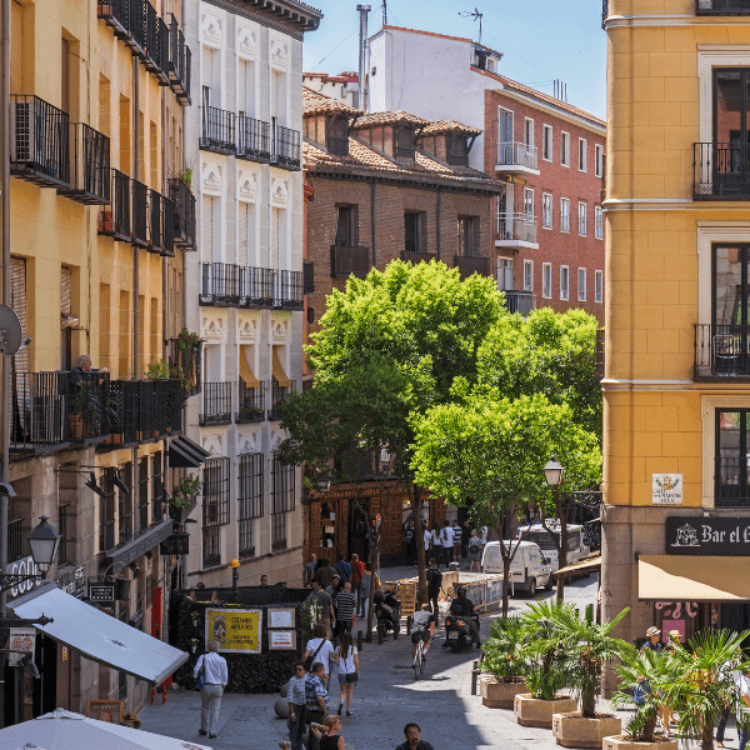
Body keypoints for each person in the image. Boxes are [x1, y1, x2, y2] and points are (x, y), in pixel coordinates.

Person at [193, 640, 228, 739]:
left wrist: (195, 677)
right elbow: (225, 675)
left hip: (206, 686)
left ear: (209, 648)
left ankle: (203, 729)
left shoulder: (203, 657)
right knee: (215, 709)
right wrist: (223, 685)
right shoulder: (222, 660)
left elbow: (196, 669)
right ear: (218, 649)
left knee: (205, 707)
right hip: (218, 687)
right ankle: (212, 732)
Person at [332, 633, 359, 716]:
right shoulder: (353, 648)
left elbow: (336, 661)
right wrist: (357, 672)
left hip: (342, 673)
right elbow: (356, 662)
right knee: (350, 691)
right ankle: (348, 710)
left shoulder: (338, 648)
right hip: (351, 673)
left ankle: (341, 703)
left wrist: (331, 658)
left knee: (343, 691)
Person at [304, 662, 329, 750]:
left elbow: (323, 692)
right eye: (323, 671)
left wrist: (324, 682)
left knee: (312, 733)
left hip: (309, 711)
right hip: (317, 712)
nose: (324, 673)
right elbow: (319, 697)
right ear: (319, 671)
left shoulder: (308, 678)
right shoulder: (316, 682)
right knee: (317, 737)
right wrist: (324, 708)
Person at [287, 662, 308, 750]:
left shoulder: (308, 678)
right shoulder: (293, 680)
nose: (297, 671)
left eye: (300, 669)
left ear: (305, 671)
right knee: (294, 728)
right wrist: (292, 713)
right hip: (296, 706)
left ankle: (300, 745)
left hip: (305, 706)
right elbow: (290, 697)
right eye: (296, 669)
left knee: (302, 727)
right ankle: (294, 747)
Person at [426, 562, 443, 627]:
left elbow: (427, 579)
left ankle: (430, 617)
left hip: (430, 588)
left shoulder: (428, 571)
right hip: (436, 589)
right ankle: (436, 620)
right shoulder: (438, 571)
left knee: (428, 602)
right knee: (435, 603)